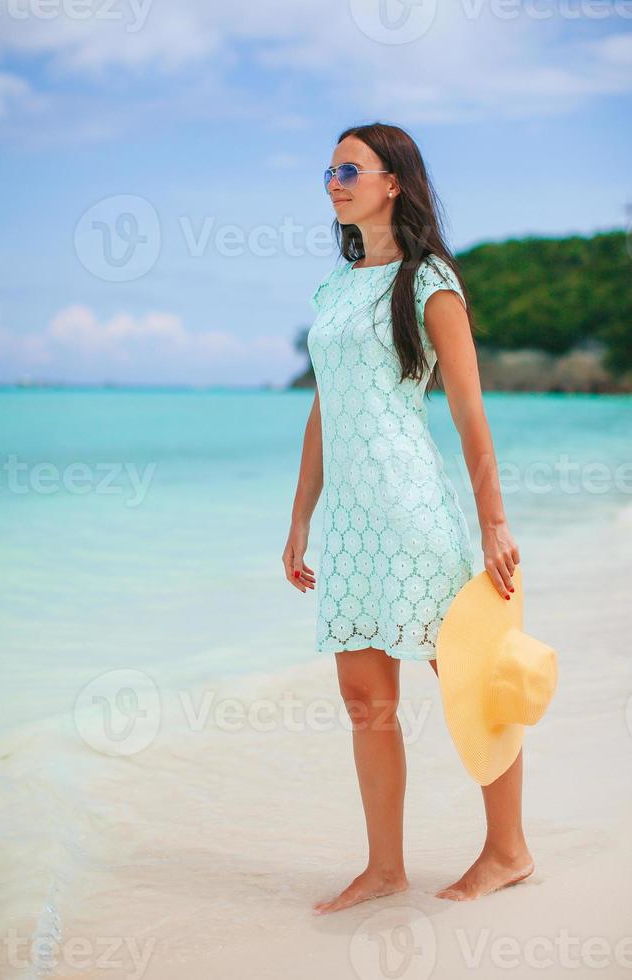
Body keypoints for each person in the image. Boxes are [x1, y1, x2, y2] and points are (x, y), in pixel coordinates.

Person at [282, 122, 529, 915]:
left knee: (469, 680)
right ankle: (385, 868)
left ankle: (508, 850)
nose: (333, 181)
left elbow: (467, 410)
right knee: (364, 698)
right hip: (350, 524)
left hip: (412, 508)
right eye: (328, 170)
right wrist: (299, 522)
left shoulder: (429, 284)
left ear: (394, 182)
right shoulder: (333, 287)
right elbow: (326, 410)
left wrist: (493, 524)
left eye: (349, 168)